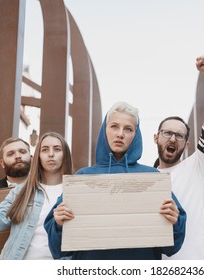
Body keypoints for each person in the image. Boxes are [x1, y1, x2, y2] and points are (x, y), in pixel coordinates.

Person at [44, 101, 186, 260]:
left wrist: (174, 222)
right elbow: (58, 250)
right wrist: (58, 223)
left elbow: (171, 248)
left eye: (128, 129)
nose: (120, 134)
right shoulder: (82, 178)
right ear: (104, 130)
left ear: (136, 134)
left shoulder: (153, 178)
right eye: (114, 126)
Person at [0, 131, 74, 259]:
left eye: (57, 149)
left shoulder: (76, 192)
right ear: (37, 156)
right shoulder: (21, 191)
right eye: (45, 150)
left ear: (66, 155)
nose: (51, 154)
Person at [155, 54, 204, 260]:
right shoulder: (144, 178)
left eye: (179, 135)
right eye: (167, 133)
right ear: (156, 138)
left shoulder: (197, 167)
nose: (173, 139)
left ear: (186, 145)